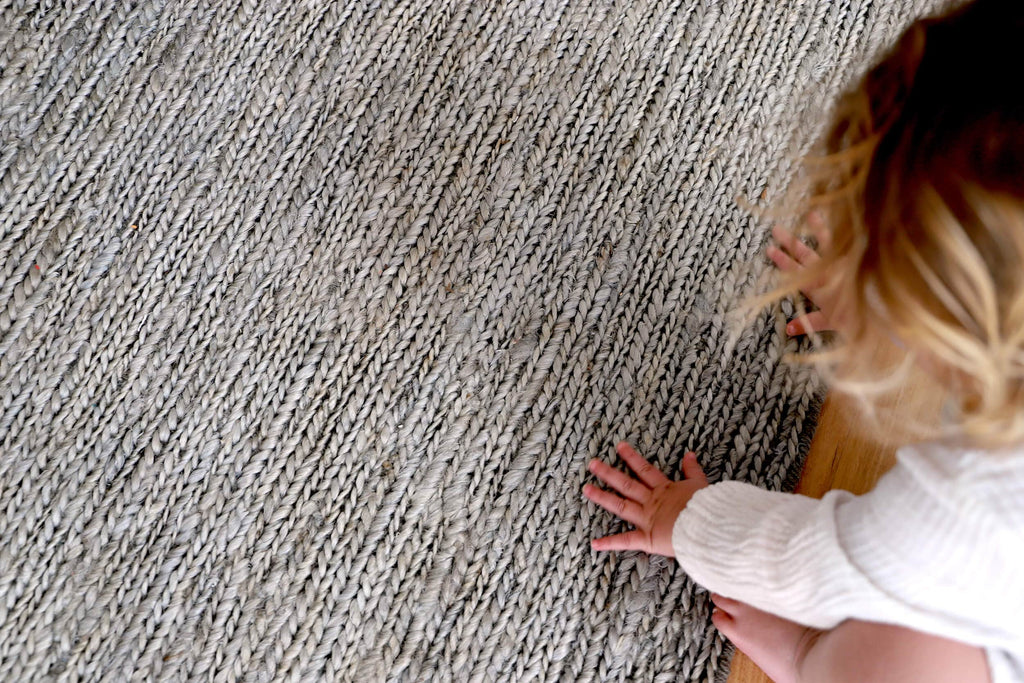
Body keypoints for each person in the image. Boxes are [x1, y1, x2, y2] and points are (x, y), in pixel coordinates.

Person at [582, 1, 1024, 681]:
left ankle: (811, 659)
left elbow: (806, 562)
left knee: (892, 658)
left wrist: (686, 517)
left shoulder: (965, 507)